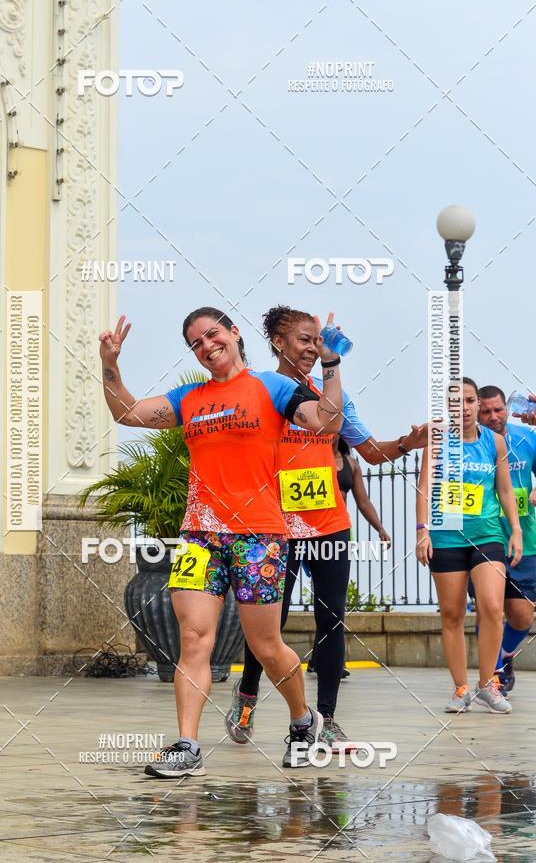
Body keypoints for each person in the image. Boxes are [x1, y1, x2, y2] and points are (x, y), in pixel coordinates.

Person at [99, 307, 346, 775]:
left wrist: (331, 364)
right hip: (199, 536)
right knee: (193, 640)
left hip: (260, 535)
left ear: (234, 334)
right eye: (195, 342)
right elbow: (127, 412)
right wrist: (110, 363)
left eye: (212, 334)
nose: (206, 345)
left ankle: (301, 720)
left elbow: (326, 422)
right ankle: (187, 746)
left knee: (268, 645)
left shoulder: (271, 388)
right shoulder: (189, 397)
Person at [225, 306, 427, 751]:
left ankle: (327, 719)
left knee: (331, 620)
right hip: (272, 528)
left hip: (328, 526)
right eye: (305, 340)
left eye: (319, 341)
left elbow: (372, 452)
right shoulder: (260, 390)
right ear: (278, 343)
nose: (315, 349)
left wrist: (410, 443)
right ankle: (246, 697)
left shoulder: (331, 396)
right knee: (268, 624)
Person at [416, 377, 522, 714]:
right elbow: (423, 488)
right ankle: (461, 688)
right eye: (455, 402)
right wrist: (422, 531)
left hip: (487, 534)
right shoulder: (435, 443)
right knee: (452, 614)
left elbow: (505, 490)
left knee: (492, 607)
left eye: (469, 400)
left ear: (478, 403)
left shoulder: (494, 442)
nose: (463, 408)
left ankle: (487, 683)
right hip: (446, 537)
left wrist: (515, 530)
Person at [307, 436, 391, 674]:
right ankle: (319, 657)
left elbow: (363, 502)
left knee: (332, 599)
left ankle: (328, 659)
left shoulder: (351, 464)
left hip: (337, 533)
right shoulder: (307, 457)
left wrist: (380, 528)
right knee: (318, 597)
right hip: (305, 531)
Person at [478, 385, 536, 693]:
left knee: (522, 614)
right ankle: (492, 673)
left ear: (506, 408)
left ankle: (503, 655)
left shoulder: (528, 438)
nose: (493, 416)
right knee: (490, 608)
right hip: (485, 540)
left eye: (498, 409)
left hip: (525, 539)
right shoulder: (471, 444)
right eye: (485, 411)